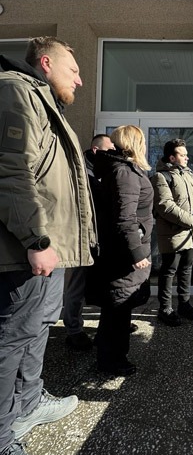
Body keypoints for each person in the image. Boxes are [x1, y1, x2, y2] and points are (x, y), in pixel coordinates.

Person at [0, 37, 96, 455]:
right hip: (26, 250)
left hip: (48, 250)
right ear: (45, 62)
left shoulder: (44, 102)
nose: (80, 79)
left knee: (37, 328)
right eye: (73, 70)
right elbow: (12, 172)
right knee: (10, 342)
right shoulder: (16, 91)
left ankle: (29, 402)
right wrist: (36, 240)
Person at [90, 125, 153, 376]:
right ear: (135, 143)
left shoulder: (124, 169)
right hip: (123, 255)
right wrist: (136, 253)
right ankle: (111, 361)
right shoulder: (124, 172)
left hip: (122, 251)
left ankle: (110, 354)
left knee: (117, 307)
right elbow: (125, 218)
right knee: (118, 307)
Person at [63, 134, 114, 352]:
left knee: (104, 283)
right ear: (95, 150)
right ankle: (74, 330)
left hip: (101, 237)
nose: (112, 154)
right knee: (77, 285)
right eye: (109, 150)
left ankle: (110, 324)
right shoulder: (79, 170)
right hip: (82, 237)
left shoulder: (105, 170)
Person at [152, 139, 193, 327]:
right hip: (173, 235)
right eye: (183, 155)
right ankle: (165, 309)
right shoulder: (161, 177)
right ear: (172, 158)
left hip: (191, 234)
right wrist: (191, 220)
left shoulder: (188, 174)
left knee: (186, 269)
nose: (187, 158)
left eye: (186, 154)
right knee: (169, 271)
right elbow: (165, 206)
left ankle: (184, 304)